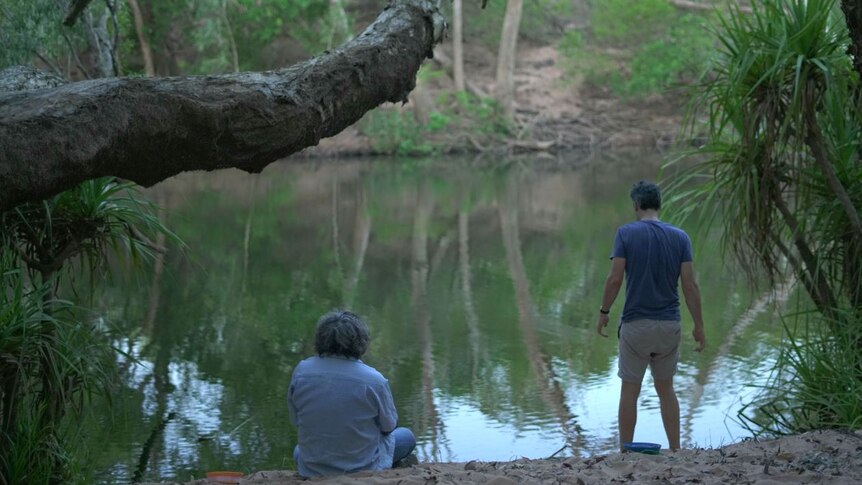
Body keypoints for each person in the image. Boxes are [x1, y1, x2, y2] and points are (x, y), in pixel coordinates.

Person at [596, 180, 706, 452]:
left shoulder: (626, 234)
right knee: (666, 389)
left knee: (630, 391)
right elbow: (690, 285)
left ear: (636, 205)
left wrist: (604, 312)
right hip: (670, 325)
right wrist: (699, 326)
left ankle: (625, 451)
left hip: (636, 325)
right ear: (659, 205)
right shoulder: (681, 237)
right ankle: (676, 450)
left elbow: (614, 279)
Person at [288, 310, 416, 477]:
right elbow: (389, 426)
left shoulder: (301, 371)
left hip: (313, 469)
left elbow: (296, 420)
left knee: (298, 450)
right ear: (360, 342)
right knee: (406, 436)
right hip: (362, 468)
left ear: (320, 339)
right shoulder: (374, 380)